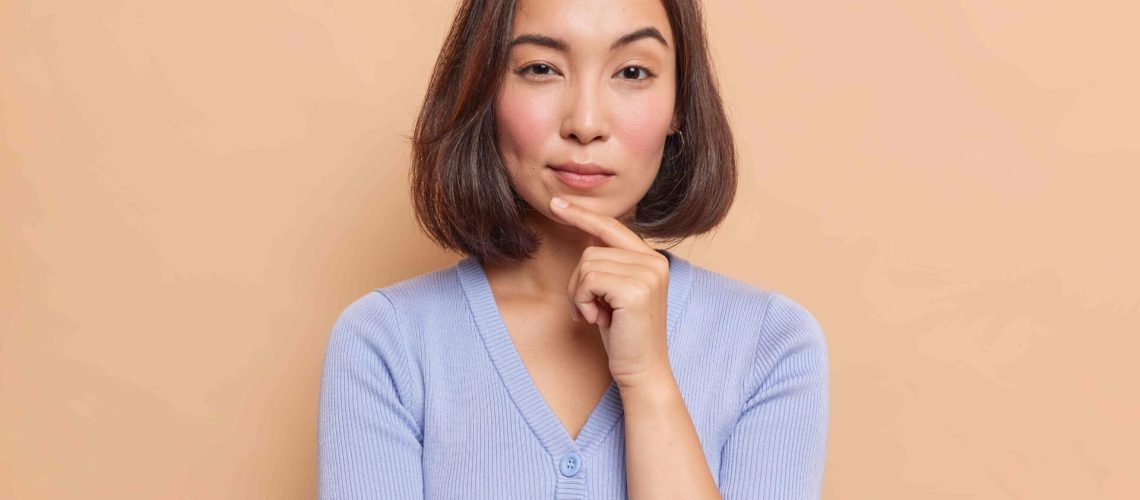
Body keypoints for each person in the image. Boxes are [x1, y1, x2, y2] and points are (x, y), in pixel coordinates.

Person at [317, 0, 829, 498]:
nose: (585, 123)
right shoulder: (387, 343)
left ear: (679, 106)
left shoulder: (772, 346)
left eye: (632, 72)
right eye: (541, 68)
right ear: (485, 92)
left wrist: (648, 382)